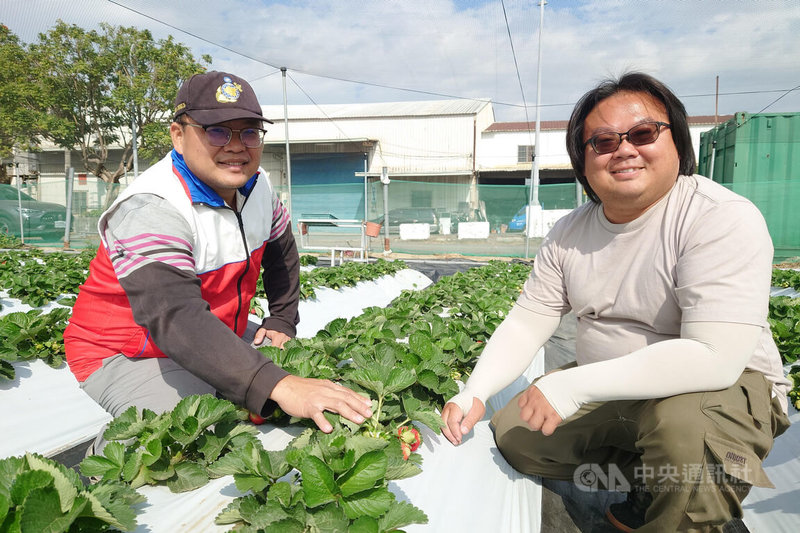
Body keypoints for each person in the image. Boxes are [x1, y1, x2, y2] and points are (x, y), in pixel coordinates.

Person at [441, 72, 791, 532]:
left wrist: (569, 387)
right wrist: (475, 391)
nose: (623, 149)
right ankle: (659, 479)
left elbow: (715, 358)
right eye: (602, 142)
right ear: (582, 160)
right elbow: (528, 323)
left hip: (720, 394)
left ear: (678, 143)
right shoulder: (569, 232)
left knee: (688, 433)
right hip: (622, 391)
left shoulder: (718, 217)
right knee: (518, 436)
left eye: (643, 133)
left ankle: (688, 503)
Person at [64, 71, 372, 451]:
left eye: (249, 132)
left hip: (214, 327)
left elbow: (283, 254)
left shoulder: (258, 185)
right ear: (178, 135)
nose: (237, 146)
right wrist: (277, 383)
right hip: (126, 349)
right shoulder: (153, 207)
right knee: (192, 434)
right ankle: (95, 477)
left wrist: (281, 320)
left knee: (303, 376)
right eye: (216, 131)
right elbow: (176, 318)